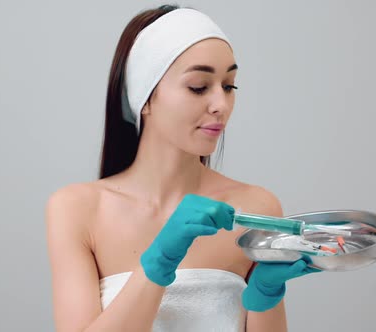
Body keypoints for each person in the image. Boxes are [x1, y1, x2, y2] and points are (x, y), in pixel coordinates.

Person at [46, 4, 319, 332]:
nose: (221, 104)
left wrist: (265, 295)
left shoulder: (256, 209)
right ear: (146, 97)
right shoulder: (77, 209)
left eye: (229, 85)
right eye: (198, 87)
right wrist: (158, 263)